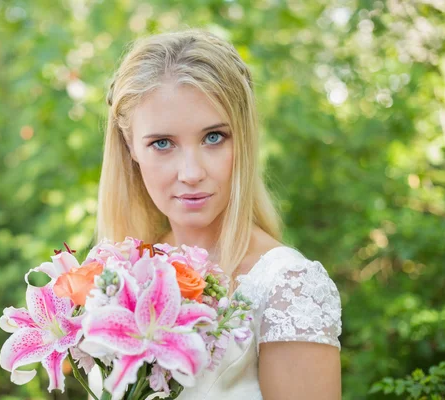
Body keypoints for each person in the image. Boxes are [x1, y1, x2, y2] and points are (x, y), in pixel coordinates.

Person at [90, 28, 342, 399]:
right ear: (131, 147)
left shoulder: (287, 287)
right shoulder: (125, 273)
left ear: (243, 137)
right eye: (162, 143)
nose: (191, 173)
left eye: (213, 137)